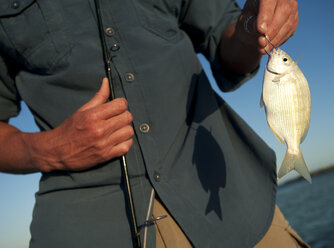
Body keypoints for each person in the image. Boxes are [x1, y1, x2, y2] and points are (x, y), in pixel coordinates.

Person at [0, 0, 309, 247]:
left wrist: (248, 29)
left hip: (235, 208)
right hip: (86, 225)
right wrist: (48, 150)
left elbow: (229, 46)